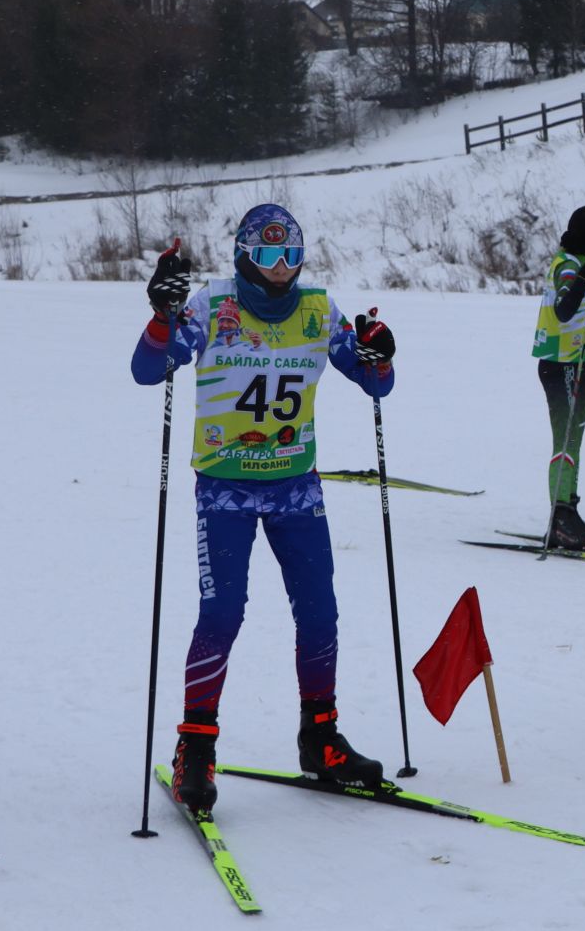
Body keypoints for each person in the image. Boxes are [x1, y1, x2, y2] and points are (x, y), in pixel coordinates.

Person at [131, 205, 392, 812]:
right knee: (223, 613)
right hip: (225, 486)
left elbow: (377, 385)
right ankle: (195, 746)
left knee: (321, 612)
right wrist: (163, 317)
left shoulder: (317, 311)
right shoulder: (212, 306)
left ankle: (320, 738)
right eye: (269, 256)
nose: (281, 270)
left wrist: (380, 353)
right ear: (244, 254)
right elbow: (148, 371)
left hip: (295, 487)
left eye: (292, 256)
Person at [532, 206, 585, 550]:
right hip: (559, 361)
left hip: (578, 360)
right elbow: (564, 310)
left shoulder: (581, 263)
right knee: (564, 440)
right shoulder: (568, 264)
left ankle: (569, 508)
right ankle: (559, 515)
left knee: (574, 439)